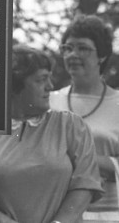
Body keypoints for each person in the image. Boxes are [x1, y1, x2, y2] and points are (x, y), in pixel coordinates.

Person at [0, 44, 103, 223]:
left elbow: (85, 184)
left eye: (49, 78)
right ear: (15, 85)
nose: (50, 86)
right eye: (41, 80)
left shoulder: (70, 125)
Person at [50, 14, 119, 222]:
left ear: (102, 55)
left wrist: (85, 161)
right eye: (68, 48)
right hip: (59, 213)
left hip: (109, 214)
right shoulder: (51, 102)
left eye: (83, 48)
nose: (73, 54)